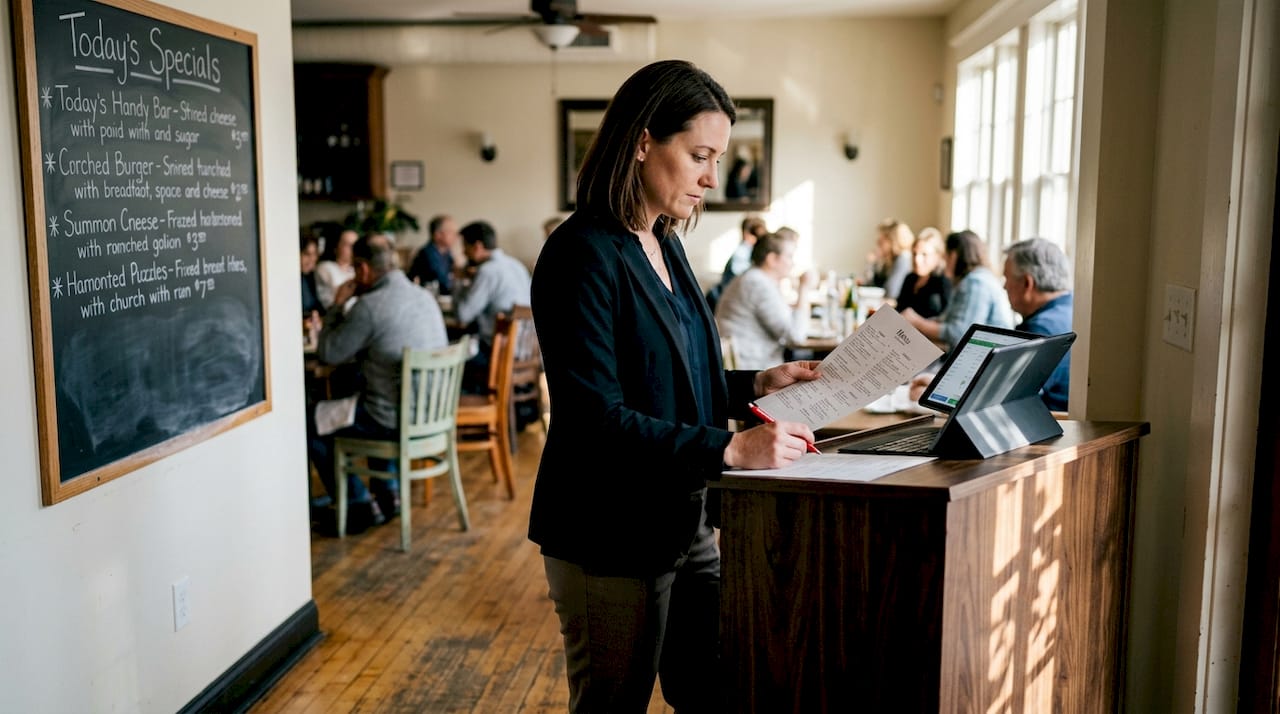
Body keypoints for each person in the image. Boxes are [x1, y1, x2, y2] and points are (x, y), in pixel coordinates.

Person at [529, 59, 822, 713]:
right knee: (614, 704)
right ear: (641, 142)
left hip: (683, 519)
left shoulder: (665, 241)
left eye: (716, 158)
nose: (712, 178)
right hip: (607, 530)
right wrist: (729, 449)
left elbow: (678, 380)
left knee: (708, 691)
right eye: (699, 155)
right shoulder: (581, 254)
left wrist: (757, 383)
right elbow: (594, 417)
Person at [308, 234, 448, 534]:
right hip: (432, 416)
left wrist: (337, 305)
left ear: (362, 269)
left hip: (392, 419)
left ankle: (358, 504)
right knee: (371, 394)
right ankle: (388, 495)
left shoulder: (369, 306)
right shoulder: (424, 297)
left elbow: (328, 352)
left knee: (310, 421)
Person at [714, 231, 816, 369]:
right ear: (772, 259)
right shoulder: (758, 284)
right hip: (753, 369)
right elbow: (796, 335)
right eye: (790, 257)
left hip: (750, 362)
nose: (793, 263)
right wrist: (804, 288)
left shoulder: (755, 278)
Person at [900, 229, 1014, 350]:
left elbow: (960, 334)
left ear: (953, 255)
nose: (944, 262)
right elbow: (949, 321)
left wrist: (917, 322)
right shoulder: (975, 279)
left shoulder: (975, 283)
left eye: (945, 256)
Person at [453, 220, 532, 391]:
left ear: (477, 247)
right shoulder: (516, 265)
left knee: (453, 356)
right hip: (528, 352)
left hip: (501, 354)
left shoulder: (488, 271)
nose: (463, 252)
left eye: (465, 246)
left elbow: (462, 315)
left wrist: (458, 280)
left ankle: (475, 411)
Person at [1003, 237, 1074, 411]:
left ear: (1028, 283)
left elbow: (1006, 395)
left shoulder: (1039, 329)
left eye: (1006, 278)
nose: (1004, 286)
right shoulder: (1075, 311)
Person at [704, 214, 767, 311]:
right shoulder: (742, 253)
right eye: (758, 236)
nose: (761, 241)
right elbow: (746, 282)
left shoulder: (749, 252)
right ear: (747, 234)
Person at [893, 226, 951, 318]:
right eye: (915, 254)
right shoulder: (910, 278)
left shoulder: (944, 282)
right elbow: (899, 309)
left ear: (938, 256)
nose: (917, 259)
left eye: (924, 254)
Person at [406, 214, 461, 295]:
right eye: (451, 232)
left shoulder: (446, 252)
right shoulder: (428, 254)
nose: (456, 236)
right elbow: (444, 283)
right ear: (437, 235)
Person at [866, 218, 915, 300]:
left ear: (893, 240)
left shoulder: (903, 259)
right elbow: (873, 284)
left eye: (882, 240)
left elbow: (891, 292)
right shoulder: (890, 259)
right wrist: (873, 264)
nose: (878, 242)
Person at [313, 227, 358, 309]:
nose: (353, 249)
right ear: (336, 246)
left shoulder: (355, 270)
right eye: (347, 244)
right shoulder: (326, 267)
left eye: (355, 245)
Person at [300, 232, 324, 322]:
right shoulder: (294, 280)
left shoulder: (312, 277)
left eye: (314, 254)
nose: (312, 259)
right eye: (306, 254)